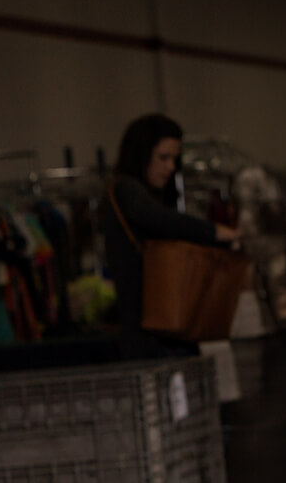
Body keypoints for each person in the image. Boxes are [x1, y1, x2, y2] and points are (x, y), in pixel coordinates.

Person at [100, 114, 241, 359]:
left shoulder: (134, 192)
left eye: (174, 159)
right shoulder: (127, 190)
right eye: (163, 157)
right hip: (152, 333)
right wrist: (215, 232)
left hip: (160, 330)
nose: (170, 167)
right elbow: (161, 219)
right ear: (142, 154)